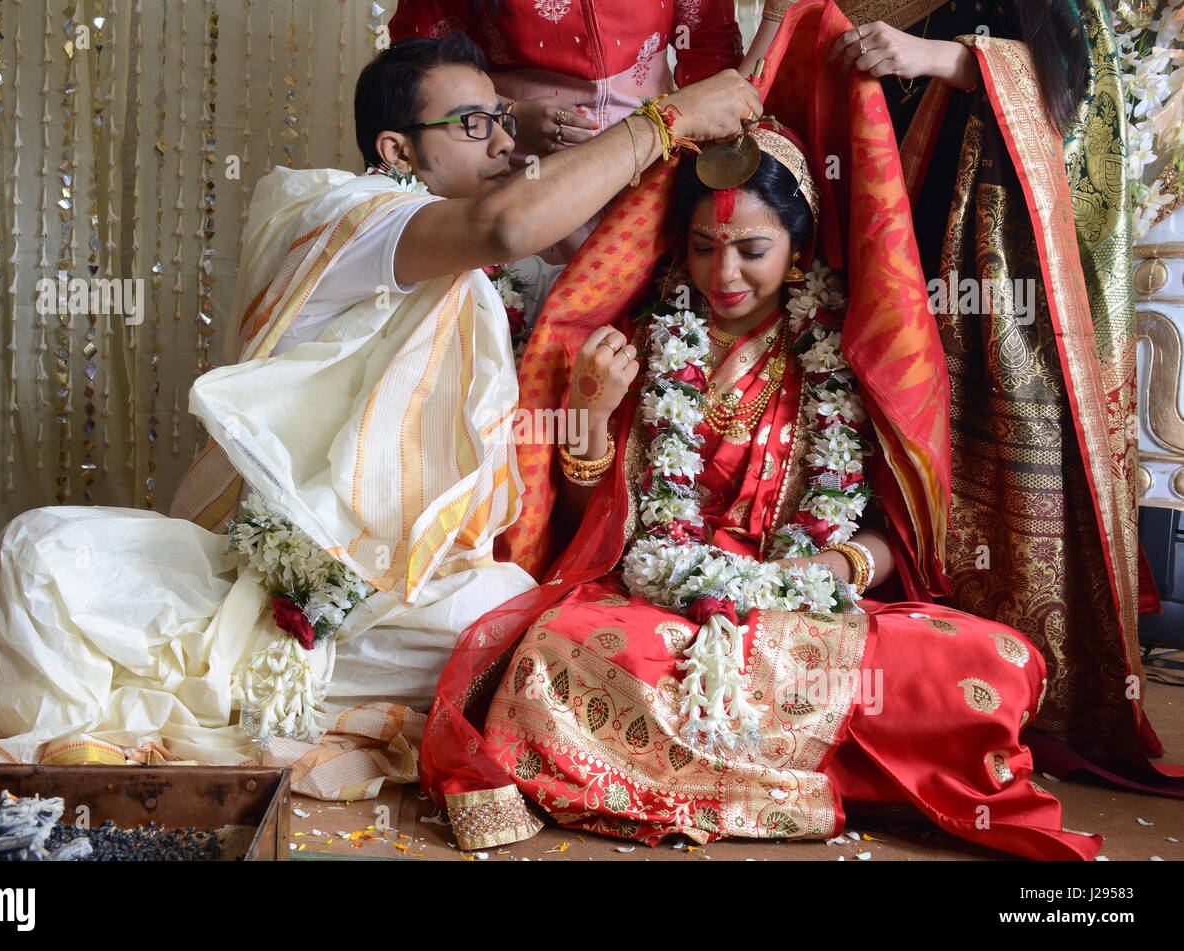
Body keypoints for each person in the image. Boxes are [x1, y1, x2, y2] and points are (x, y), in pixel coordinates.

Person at [0, 36, 759, 793]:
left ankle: (251, 700)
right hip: (248, 576)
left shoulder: (467, 281)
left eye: (506, 121)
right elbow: (506, 225)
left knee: (499, 610)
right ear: (395, 150)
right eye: (475, 125)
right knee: (38, 557)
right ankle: (231, 698)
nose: (505, 142)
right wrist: (671, 116)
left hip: (394, 597)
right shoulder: (335, 215)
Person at [418, 3, 1103, 859]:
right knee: (555, 650)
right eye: (704, 247)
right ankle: (817, 774)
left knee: (994, 662)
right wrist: (590, 414)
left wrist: (838, 564)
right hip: (661, 608)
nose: (723, 273)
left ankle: (694, 764)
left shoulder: (843, 347)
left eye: (750, 248)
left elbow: (889, 534)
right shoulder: (647, 338)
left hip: (808, 610)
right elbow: (601, 524)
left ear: (800, 246)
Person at [748, 0, 1183, 795]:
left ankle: (1030, 693)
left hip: (1024, 291)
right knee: (917, 465)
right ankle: (936, 687)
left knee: (1024, 476)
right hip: (920, 257)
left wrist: (943, 59)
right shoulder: (910, 5)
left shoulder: (1065, 12)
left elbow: (1083, 122)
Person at [389, 0, 745, 262]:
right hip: (521, 171)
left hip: (657, 163)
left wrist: (692, 147)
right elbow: (416, 67)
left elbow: (709, 49)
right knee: (527, 327)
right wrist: (507, 112)